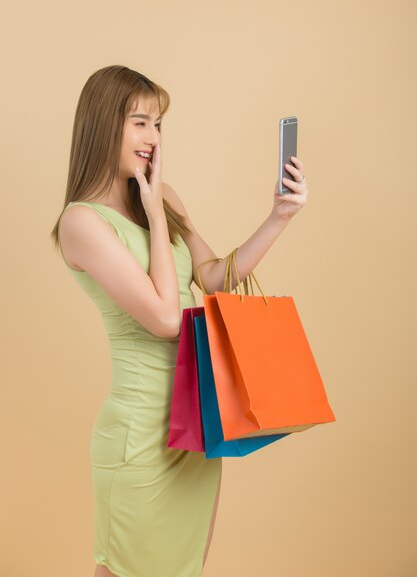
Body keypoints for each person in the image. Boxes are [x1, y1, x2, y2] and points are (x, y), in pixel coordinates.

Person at [50, 64, 308, 577]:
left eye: (158, 124)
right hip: (139, 437)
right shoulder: (81, 222)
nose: (152, 137)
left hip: (194, 426)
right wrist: (153, 211)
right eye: (139, 121)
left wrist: (279, 215)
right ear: (104, 124)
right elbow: (168, 319)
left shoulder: (162, 197)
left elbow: (213, 278)